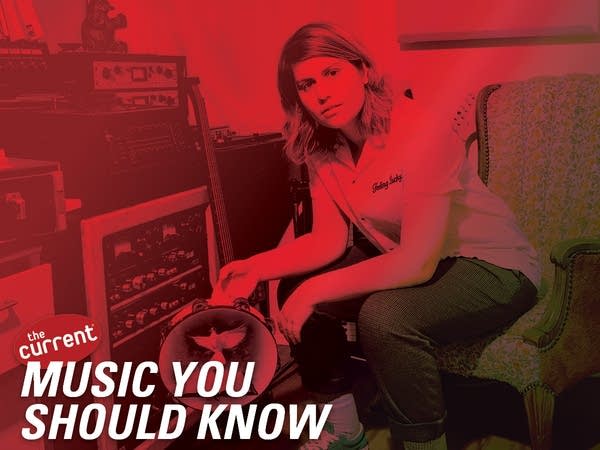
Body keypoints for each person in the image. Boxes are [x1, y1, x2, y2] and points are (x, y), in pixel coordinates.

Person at [216, 22, 540, 450]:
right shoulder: (323, 149)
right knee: (296, 284)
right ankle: (345, 429)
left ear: (363, 71)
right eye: (307, 84)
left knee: (385, 317)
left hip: (493, 267)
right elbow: (328, 241)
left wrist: (317, 288)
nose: (322, 93)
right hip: (426, 259)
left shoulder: (419, 130)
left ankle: (425, 442)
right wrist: (254, 269)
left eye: (332, 73)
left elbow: (417, 262)